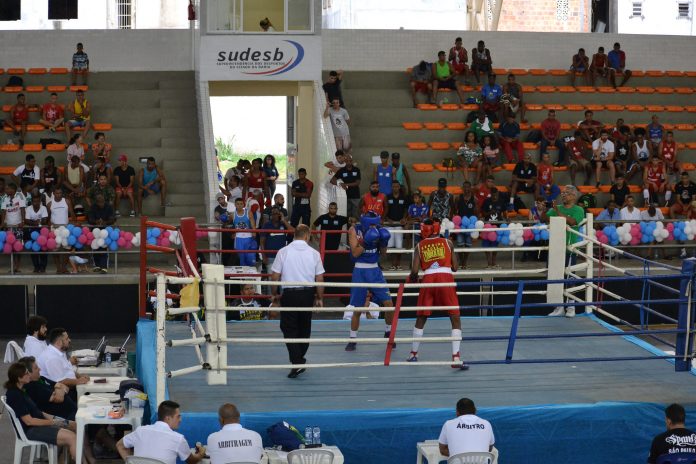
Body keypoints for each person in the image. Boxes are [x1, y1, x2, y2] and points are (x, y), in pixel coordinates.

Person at [407, 218, 467, 368]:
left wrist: (413, 279)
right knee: (455, 317)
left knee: (421, 316)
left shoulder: (419, 245)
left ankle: (414, 354)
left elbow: (414, 271)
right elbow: (455, 268)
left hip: (428, 279)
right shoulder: (448, 243)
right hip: (445, 278)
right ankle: (455, 357)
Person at [270, 225, 325, 378]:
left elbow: (275, 276)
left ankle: (297, 362)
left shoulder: (284, 251)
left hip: (289, 294)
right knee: (304, 328)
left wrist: (274, 295)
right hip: (307, 294)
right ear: (307, 236)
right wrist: (319, 298)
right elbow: (319, 278)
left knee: (288, 328)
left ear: (295, 235)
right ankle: (299, 360)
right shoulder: (314, 253)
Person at [4, 362, 83, 463]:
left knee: (74, 427)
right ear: (19, 378)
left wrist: (62, 421)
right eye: (26, 373)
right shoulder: (15, 395)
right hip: (31, 430)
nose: (29, 375)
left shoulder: (21, 390)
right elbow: (29, 421)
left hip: (38, 425)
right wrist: (54, 422)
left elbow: (39, 412)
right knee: (72, 437)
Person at [344, 212, 394, 351]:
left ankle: (388, 332)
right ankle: (352, 339)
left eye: (375, 224)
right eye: (371, 224)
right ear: (365, 222)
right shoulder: (354, 230)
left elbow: (383, 254)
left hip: (375, 271)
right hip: (360, 271)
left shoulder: (379, 230)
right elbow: (354, 253)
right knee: (358, 309)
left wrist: (384, 241)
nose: (374, 226)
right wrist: (366, 242)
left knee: (389, 304)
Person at [117, 400, 206, 464]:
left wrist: (130, 462)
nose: (180, 420)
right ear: (168, 418)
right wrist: (202, 452)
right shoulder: (178, 439)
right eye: (178, 416)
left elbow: (119, 445)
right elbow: (192, 461)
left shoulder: (140, 431)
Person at [543, 186, 585, 317]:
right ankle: (558, 307)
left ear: (573, 196)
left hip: (570, 248)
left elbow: (573, 222)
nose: (563, 195)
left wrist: (557, 212)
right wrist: (543, 209)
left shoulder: (578, 209)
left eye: (566, 193)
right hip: (556, 247)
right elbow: (544, 219)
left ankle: (571, 307)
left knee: (570, 278)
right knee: (555, 277)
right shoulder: (557, 208)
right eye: (562, 193)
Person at [17, 356, 77, 422]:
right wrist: (59, 388)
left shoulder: (41, 378)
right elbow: (59, 398)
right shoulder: (32, 387)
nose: (39, 369)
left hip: (73, 410)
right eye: (36, 368)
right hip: (65, 419)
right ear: (28, 372)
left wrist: (58, 389)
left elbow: (64, 386)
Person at [385, 180, 410, 270]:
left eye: (397, 186)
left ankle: (398, 264)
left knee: (399, 246)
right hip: (389, 225)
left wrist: (404, 218)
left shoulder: (404, 197)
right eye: (394, 186)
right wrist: (387, 219)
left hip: (399, 225)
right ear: (391, 187)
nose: (395, 188)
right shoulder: (387, 197)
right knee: (391, 246)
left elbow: (406, 209)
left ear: (399, 187)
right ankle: (393, 264)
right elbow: (385, 209)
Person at [48, 188, 74, 274]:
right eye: (57, 193)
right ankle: (58, 268)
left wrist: (73, 225)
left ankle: (64, 267)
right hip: (55, 229)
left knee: (67, 249)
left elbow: (72, 215)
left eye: (60, 193)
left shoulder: (67, 201)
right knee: (55, 249)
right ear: (53, 193)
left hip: (66, 229)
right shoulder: (50, 204)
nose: (59, 194)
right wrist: (50, 228)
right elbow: (48, 219)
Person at [1, 182, 25, 273]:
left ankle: (17, 266)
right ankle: (12, 266)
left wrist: (22, 221)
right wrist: (3, 223)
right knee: (10, 246)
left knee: (18, 247)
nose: (6, 190)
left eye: (7, 188)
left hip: (18, 226)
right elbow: (3, 211)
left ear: (13, 190)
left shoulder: (20, 197)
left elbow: (23, 209)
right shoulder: (4, 199)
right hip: (9, 227)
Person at [88, 193, 115, 272]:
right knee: (95, 247)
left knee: (103, 247)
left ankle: (104, 267)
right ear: (96, 202)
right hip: (95, 231)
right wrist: (96, 221)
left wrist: (105, 222)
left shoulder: (109, 207)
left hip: (105, 231)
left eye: (102, 202)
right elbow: (90, 219)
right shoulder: (93, 207)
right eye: (99, 202)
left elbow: (112, 219)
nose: (101, 203)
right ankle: (96, 266)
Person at [455, 182, 478, 269]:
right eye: (464, 187)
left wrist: (475, 224)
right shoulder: (458, 198)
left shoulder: (474, 199)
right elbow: (455, 211)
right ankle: (461, 262)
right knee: (460, 245)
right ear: (462, 188)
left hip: (470, 226)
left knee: (468, 245)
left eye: (468, 187)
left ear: (470, 188)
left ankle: (464, 262)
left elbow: (477, 213)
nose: (466, 189)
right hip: (460, 225)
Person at [26, 193, 49, 273]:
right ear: (32, 202)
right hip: (32, 231)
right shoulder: (28, 208)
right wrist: (35, 222)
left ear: (40, 201)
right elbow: (27, 220)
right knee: (33, 249)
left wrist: (34, 222)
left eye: (38, 201)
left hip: (42, 231)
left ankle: (43, 267)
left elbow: (45, 220)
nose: (36, 203)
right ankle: (36, 267)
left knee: (43, 249)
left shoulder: (43, 208)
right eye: (34, 201)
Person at [230, 197, 257, 267]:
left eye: (241, 204)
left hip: (248, 237)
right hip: (238, 238)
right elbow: (229, 225)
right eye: (238, 204)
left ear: (243, 205)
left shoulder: (248, 213)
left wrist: (254, 232)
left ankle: (251, 274)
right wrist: (233, 233)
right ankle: (243, 275)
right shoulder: (232, 215)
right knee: (241, 257)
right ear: (235, 205)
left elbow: (253, 224)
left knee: (249, 257)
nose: (239, 205)